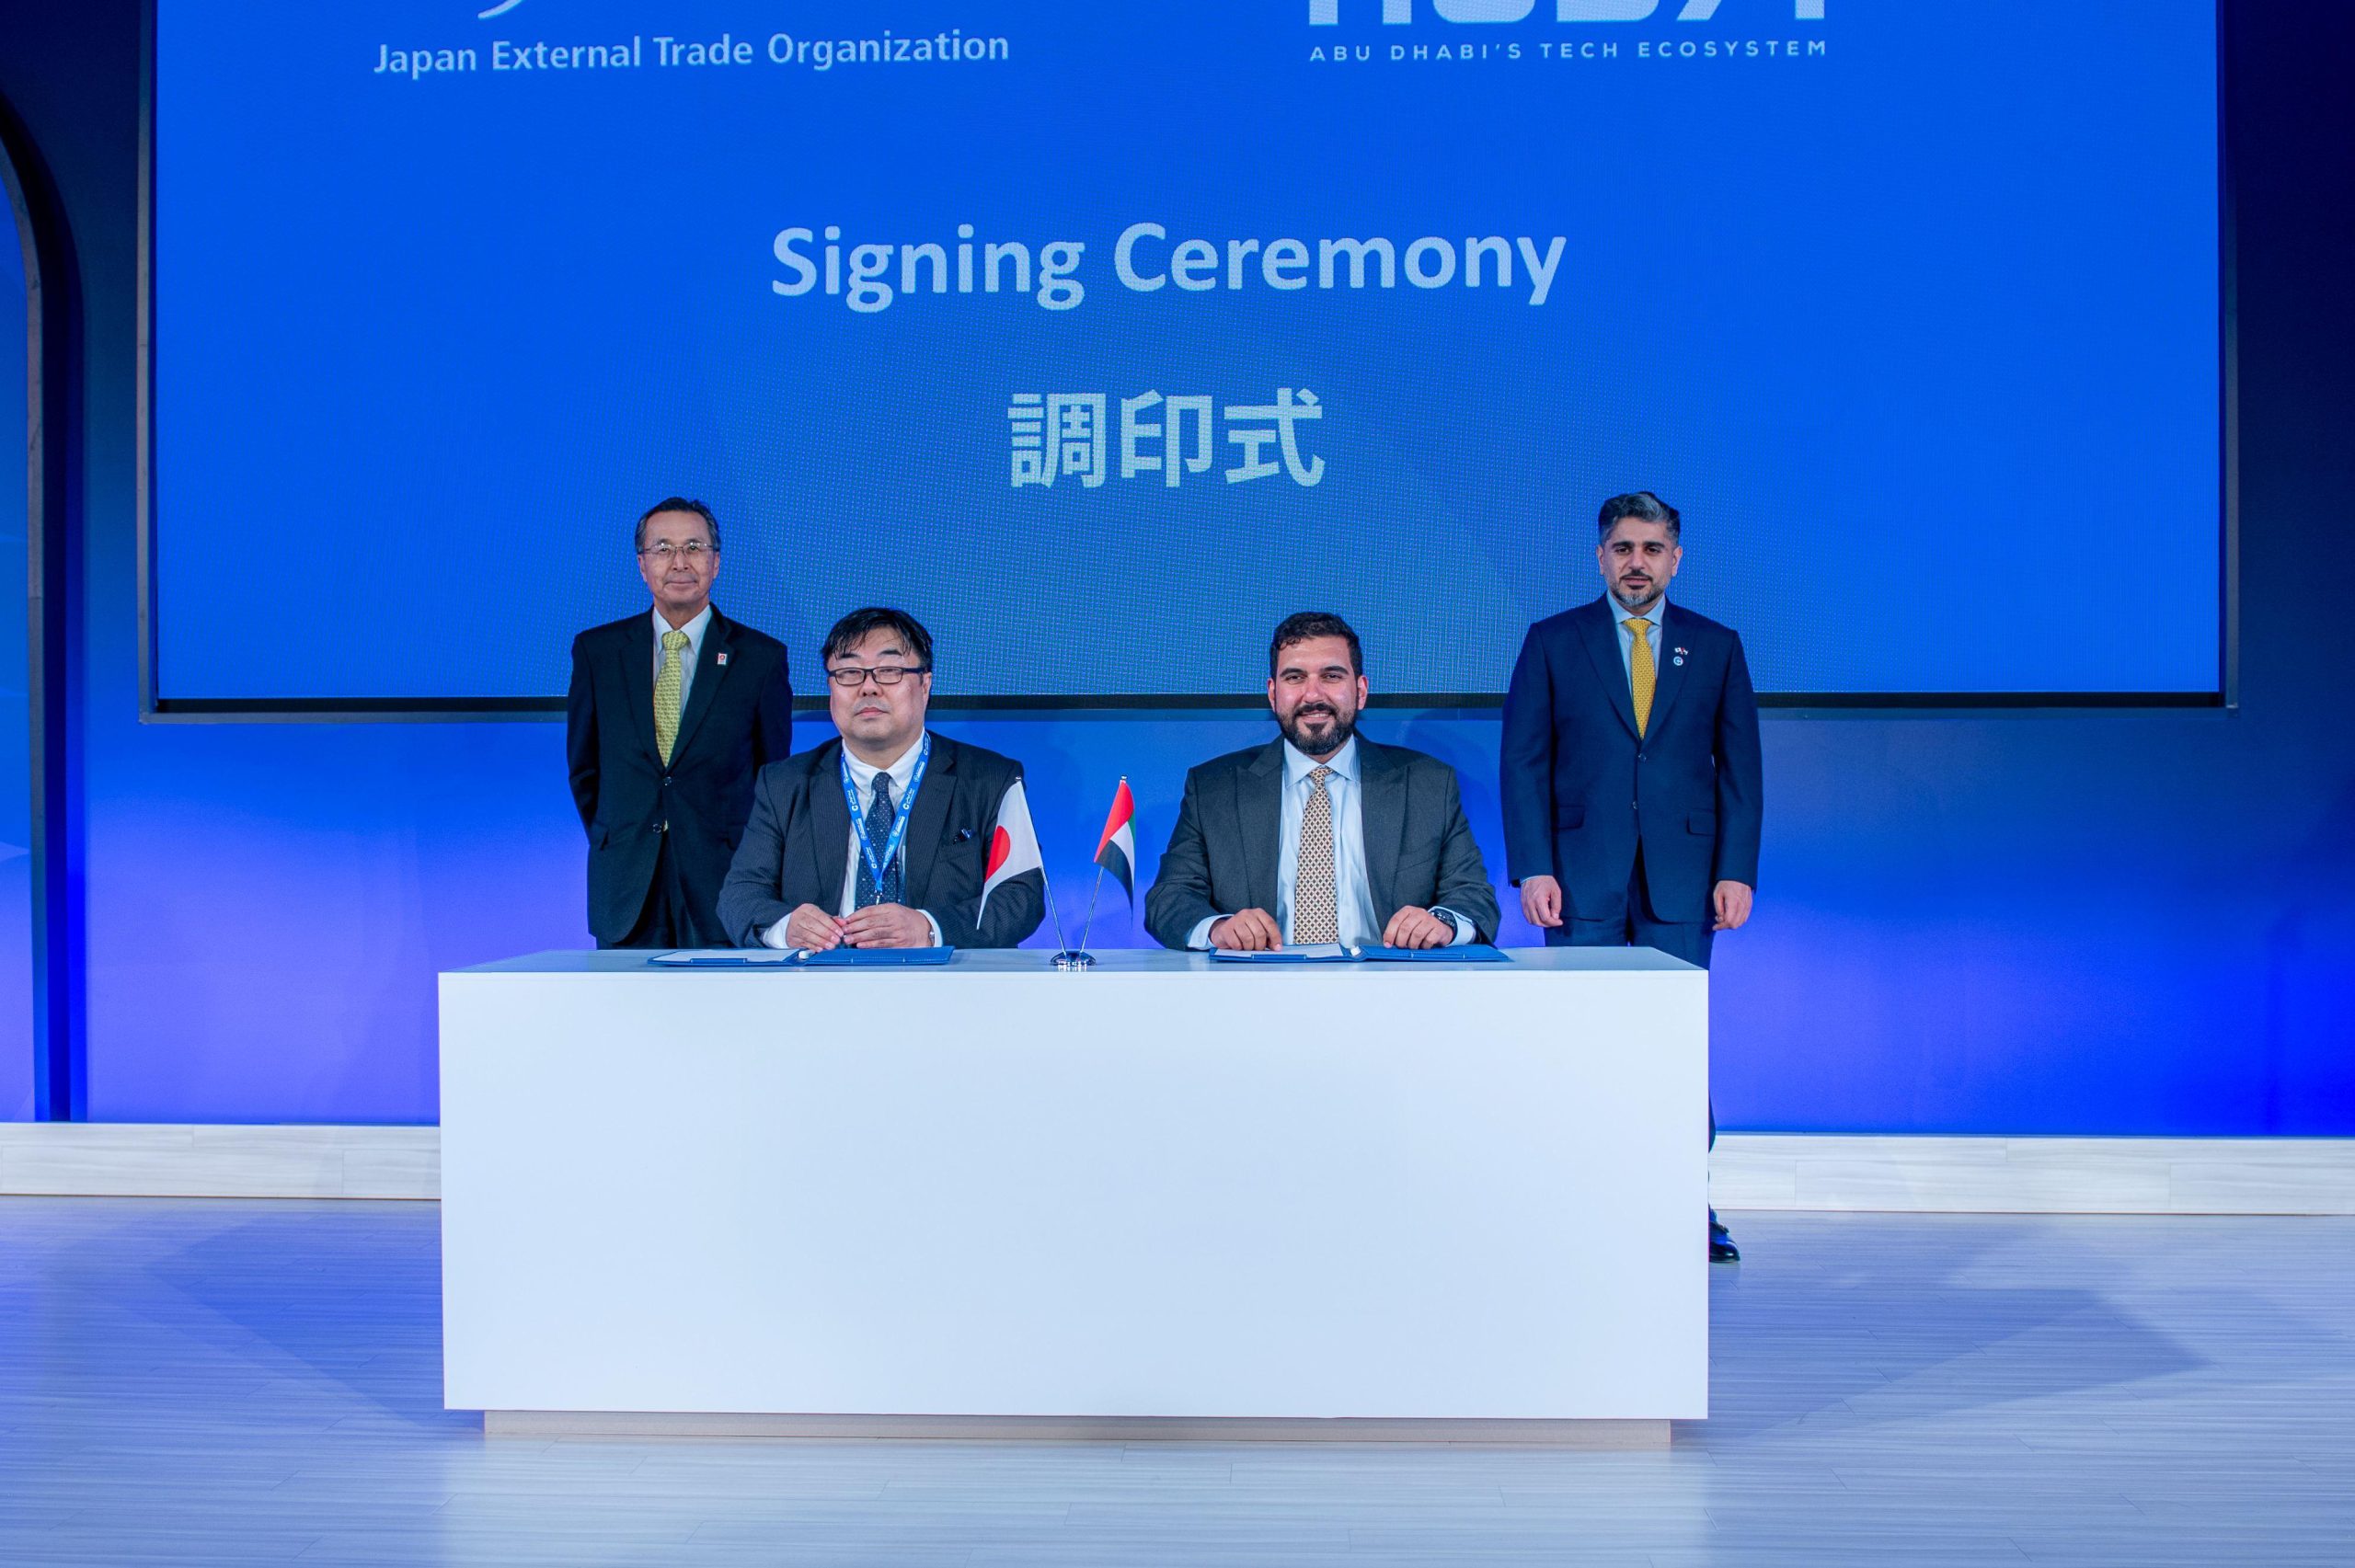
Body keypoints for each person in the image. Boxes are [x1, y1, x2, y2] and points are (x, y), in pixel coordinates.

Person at [1500, 490, 1763, 1262]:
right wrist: (1533, 868)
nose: (1636, 563)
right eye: (1623, 548)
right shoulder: (1554, 641)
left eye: (1651, 549)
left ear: (1675, 559)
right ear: (1600, 557)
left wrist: (1736, 870)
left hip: (1685, 879)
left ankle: (1684, 1201)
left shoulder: (1716, 646)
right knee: (1583, 1039)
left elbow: (1740, 771)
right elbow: (1524, 763)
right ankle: (1583, 1198)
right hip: (1578, 878)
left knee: (1675, 1045)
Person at [1146, 612, 1499, 953]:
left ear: (1361, 690)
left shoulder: (1428, 785)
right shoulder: (1214, 788)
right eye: (1295, 677)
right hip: (1259, 984)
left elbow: (1474, 897)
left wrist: (1441, 923)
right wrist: (1219, 929)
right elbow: (1170, 897)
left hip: (1388, 984)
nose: (1313, 695)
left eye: (1331, 676)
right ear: (1273, 694)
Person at [717, 608, 1044, 950]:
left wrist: (930, 929)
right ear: (831, 687)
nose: (868, 688)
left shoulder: (991, 780)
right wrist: (786, 928)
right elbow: (741, 894)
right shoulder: (785, 784)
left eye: (889, 671)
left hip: (943, 978)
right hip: (819, 977)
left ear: (925, 684)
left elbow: (1021, 895)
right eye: (849, 673)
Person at [567, 498, 793, 947]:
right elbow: (584, 769)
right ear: (642, 565)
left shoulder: (760, 658)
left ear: (715, 562)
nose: (679, 562)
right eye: (663, 549)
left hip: (723, 880)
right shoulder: (598, 652)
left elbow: (771, 776)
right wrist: (618, 834)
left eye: (693, 547)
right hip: (626, 881)